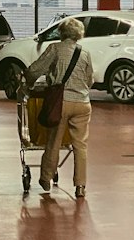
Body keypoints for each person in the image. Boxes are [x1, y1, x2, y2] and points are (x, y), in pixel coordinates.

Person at [25, 16, 94, 199]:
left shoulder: (55, 48)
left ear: (61, 33)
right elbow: (90, 80)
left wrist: (28, 83)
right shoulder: (84, 53)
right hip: (83, 104)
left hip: (61, 103)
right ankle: (80, 186)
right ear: (79, 34)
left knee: (54, 140)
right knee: (80, 146)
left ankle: (46, 178)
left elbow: (35, 70)